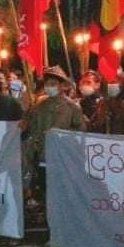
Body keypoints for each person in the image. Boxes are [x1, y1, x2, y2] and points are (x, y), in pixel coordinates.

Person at [24, 66, 86, 205]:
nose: (49, 87)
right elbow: (32, 130)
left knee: (63, 194)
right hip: (42, 157)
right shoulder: (38, 107)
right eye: (47, 84)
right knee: (46, 191)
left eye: (53, 84)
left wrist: (62, 138)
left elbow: (81, 132)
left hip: (63, 158)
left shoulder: (72, 108)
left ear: (62, 85)